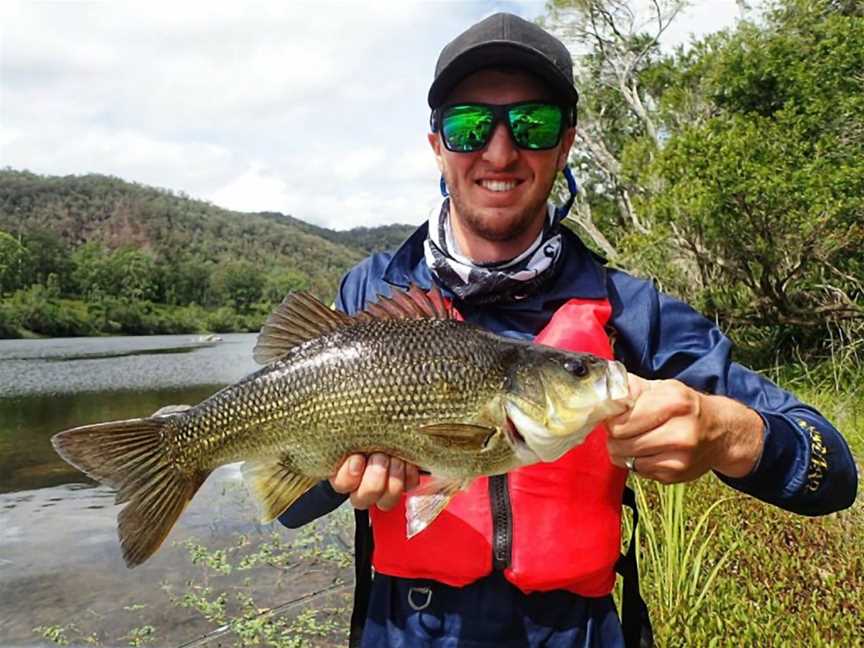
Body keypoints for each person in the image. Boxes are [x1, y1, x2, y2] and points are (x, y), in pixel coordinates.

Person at [279, 12, 858, 647]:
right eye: (470, 126)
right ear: (437, 144)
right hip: (406, 629)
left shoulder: (630, 309)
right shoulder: (371, 295)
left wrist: (731, 435)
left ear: (566, 143)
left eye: (533, 124)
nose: (499, 152)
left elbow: (833, 475)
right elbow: (290, 505)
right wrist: (333, 470)